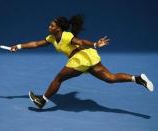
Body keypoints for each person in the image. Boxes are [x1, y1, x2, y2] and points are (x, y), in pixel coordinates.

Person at [10, 15, 154, 109]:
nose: (49, 27)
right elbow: (36, 44)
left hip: (79, 59)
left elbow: (81, 41)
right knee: (110, 78)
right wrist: (19, 46)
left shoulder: (66, 36)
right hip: (87, 58)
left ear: (59, 28)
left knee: (59, 78)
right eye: (50, 25)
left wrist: (95, 44)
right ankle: (137, 78)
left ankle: (42, 100)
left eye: (52, 25)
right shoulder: (52, 38)